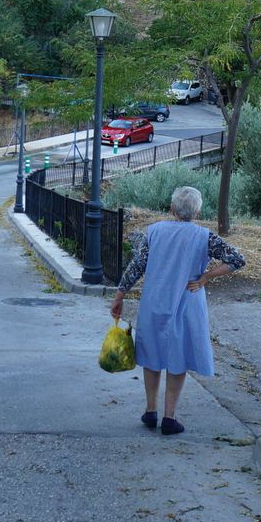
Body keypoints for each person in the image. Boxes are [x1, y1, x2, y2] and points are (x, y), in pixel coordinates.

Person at [109, 185, 245, 435]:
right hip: (186, 303)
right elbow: (237, 259)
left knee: (151, 355)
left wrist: (119, 296)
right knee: (178, 358)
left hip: (154, 302)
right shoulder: (204, 237)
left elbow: (136, 267)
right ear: (198, 210)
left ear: (172, 209)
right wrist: (206, 277)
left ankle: (151, 411)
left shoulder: (154, 232)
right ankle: (169, 417)